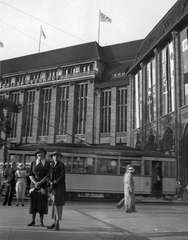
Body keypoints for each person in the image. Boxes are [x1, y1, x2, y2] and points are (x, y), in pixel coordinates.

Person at [28, 148, 50, 227]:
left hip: (43, 185)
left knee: (42, 203)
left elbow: (47, 175)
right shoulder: (33, 163)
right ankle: (33, 221)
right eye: (38, 154)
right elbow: (30, 174)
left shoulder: (47, 164)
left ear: (44, 154)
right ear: (36, 155)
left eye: (42, 154)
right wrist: (35, 183)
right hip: (34, 185)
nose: (40, 155)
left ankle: (41, 221)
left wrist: (40, 183)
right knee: (33, 202)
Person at [47, 151, 66, 231]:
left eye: (58, 156)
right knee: (53, 206)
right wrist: (50, 182)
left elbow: (62, 176)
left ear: (60, 157)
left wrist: (54, 182)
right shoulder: (51, 166)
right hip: (53, 188)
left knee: (58, 206)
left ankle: (57, 223)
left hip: (59, 188)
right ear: (52, 157)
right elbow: (48, 176)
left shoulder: (62, 165)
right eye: (54, 156)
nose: (56, 157)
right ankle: (54, 222)